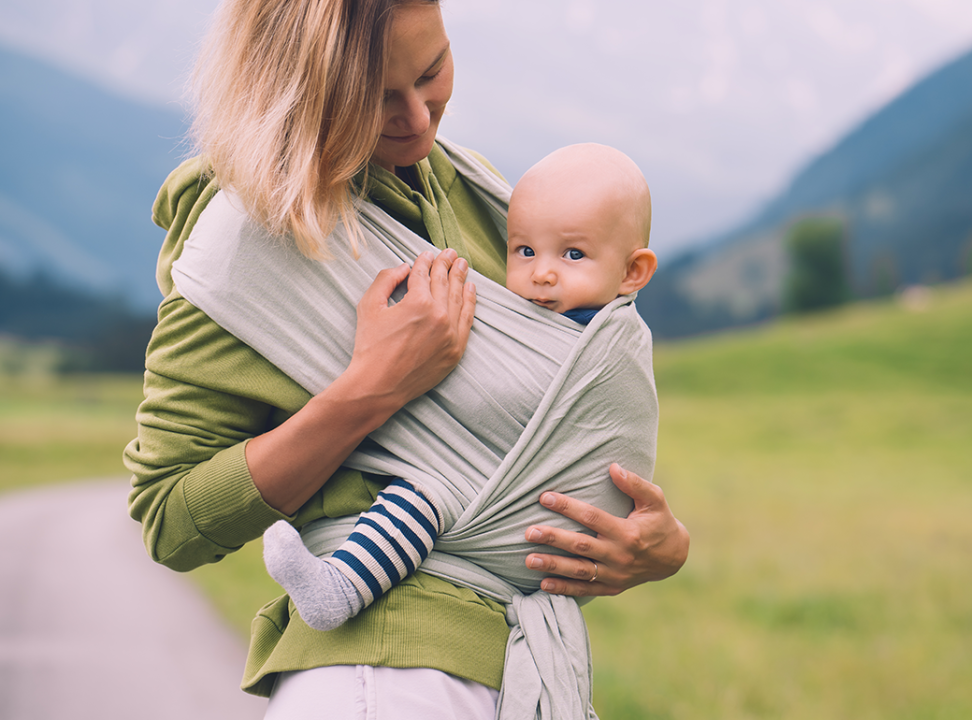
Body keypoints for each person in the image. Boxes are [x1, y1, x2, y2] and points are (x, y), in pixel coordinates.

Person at [125, 0, 689, 717]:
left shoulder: (479, 193)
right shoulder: (245, 244)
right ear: (295, 90)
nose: (418, 118)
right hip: (379, 675)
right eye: (372, 99)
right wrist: (372, 388)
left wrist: (657, 546)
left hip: (520, 670)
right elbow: (170, 518)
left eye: (432, 72)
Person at [262, 141, 661, 633]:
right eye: (525, 251)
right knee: (429, 488)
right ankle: (341, 585)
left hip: (560, 531)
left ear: (632, 272)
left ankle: (339, 588)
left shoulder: (609, 342)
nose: (542, 272)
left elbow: (614, 418)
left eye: (573, 254)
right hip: (532, 536)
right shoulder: (530, 318)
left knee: (430, 492)